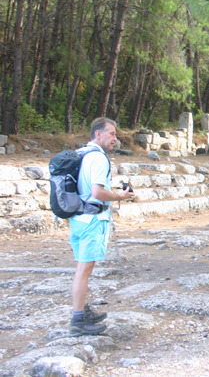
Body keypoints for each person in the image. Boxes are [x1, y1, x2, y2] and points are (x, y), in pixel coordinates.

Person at [69, 118, 134, 336]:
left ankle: (81, 310)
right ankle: (78, 320)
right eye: (112, 134)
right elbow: (97, 193)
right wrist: (120, 196)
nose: (115, 139)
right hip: (92, 220)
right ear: (98, 134)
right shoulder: (98, 158)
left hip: (78, 218)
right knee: (84, 270)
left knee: (81, 268)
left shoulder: (82, 153)